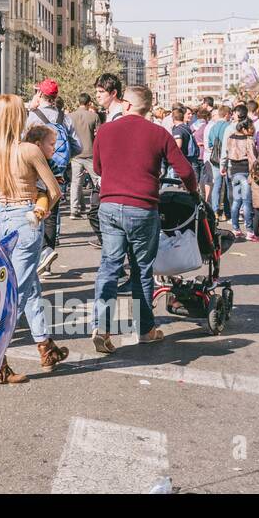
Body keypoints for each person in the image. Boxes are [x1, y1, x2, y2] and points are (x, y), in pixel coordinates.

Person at [91, 85, 196, 355]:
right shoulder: (159, 133)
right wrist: (193, 191)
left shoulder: (105, 130)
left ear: (126, 104)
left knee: (109, 266)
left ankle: (102, 326)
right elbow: (184, 169)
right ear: (147, 107)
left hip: (110, 205)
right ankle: (146, 329)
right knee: (142, 269)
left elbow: (98, 168)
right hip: (142, 207)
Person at [0, 94, 65, 383]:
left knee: (29, 284)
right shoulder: (28, 150)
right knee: (17, 292)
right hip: (27, 217)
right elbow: (54, 191)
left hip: (3, 219)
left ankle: (44, 345)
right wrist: (41, 210)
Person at [24, 80, 79, 272]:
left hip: (35, 171)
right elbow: (77, 146)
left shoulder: (32, 117)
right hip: (58, 172)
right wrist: (62, 158)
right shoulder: (65, 117)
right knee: (51, 214)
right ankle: (47, 257)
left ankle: (39, 254)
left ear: (41, 94)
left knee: (33, 211)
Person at [67, 93, 99, 219]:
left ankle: (74, 210)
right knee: (97, 181)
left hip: (75, 154)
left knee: (76, 183)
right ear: (89, 103)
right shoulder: (94, 116)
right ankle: (96, 208)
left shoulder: (70, 116)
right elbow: (99, 135)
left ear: (78, 102)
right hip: (90, 153)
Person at [226, 117, 258, 239]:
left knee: (236, 201)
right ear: (244, 128)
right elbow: (252, 158)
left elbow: (226, 152)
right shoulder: (249, 140)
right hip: (245, 171)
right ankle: (249, 230)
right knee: (246, 202)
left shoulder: (231, 137)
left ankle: (235, 228)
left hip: (234, 171)